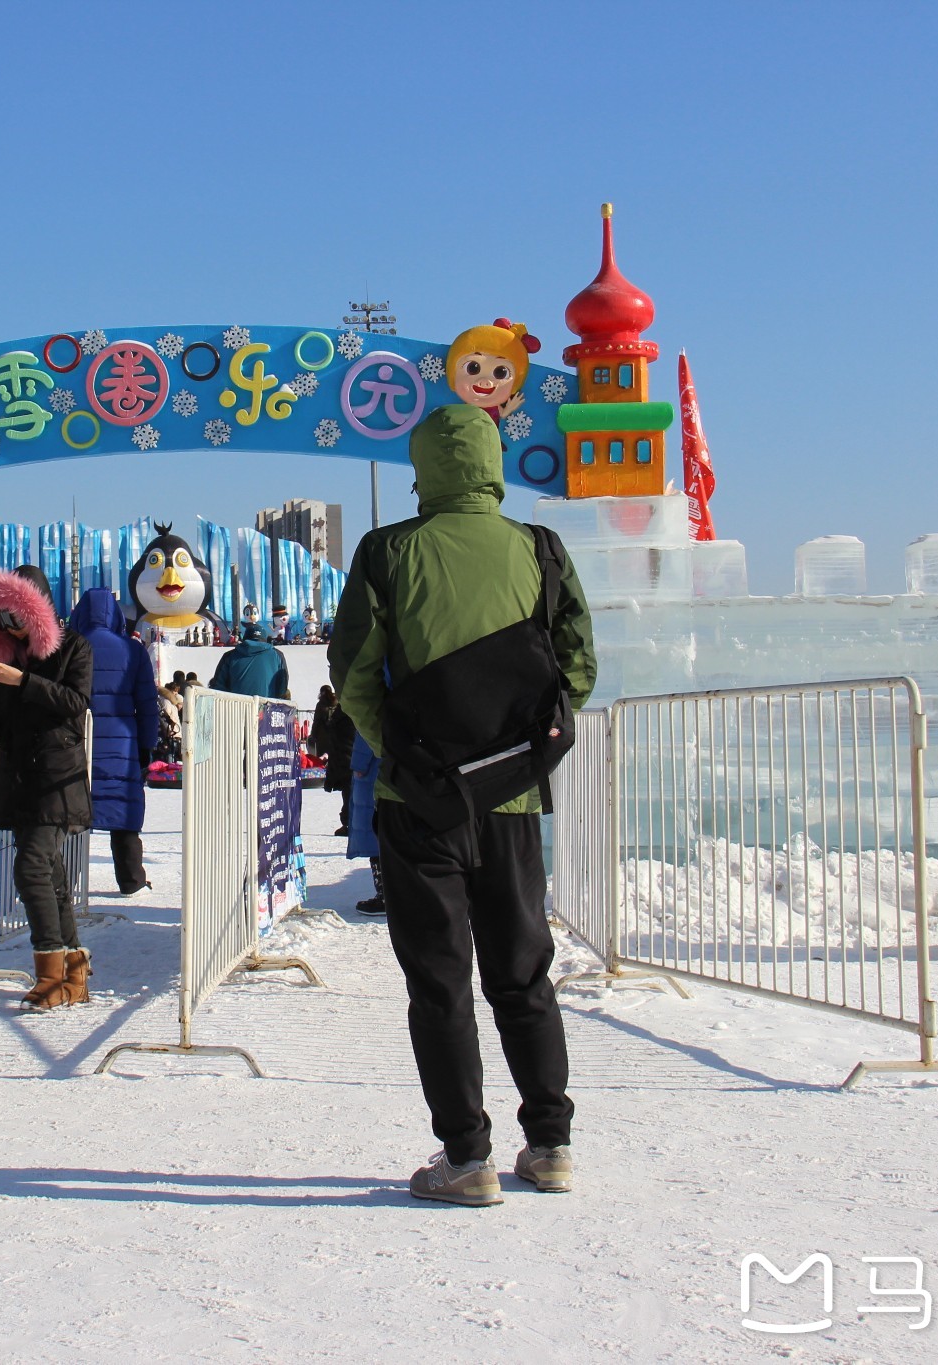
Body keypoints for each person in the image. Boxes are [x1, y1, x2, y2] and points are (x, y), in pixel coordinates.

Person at [331, 404, 596, 1207]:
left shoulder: (387, 551)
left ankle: (466, 1156)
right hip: (512, 799)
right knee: (524, 972)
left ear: (424, 466)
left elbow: (353, 669)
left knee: (440, 981)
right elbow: (576, 661)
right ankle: (549, 1142)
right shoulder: (539, 547)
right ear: (491, 461)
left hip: (420, 805)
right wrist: (529, 749)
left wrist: (408, 757)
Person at [0, 565, 93, 1010]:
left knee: (30, 868)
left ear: (38, 610)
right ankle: (73, 975)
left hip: (55, 776)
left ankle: (50, 976)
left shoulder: (74, 648)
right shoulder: (4, 658)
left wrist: (23, 681)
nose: (10, 624)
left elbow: (75, 703)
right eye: (2, 617)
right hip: (17, 776)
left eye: (16, 614)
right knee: (49, 873)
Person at [69, 585, 160, 895]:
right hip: (122, 744)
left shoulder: (68, 647)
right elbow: (148, 704)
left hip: (77, 743)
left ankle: (67, 883)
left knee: (71, 810)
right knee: (123, 811)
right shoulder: (132, 650)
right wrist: (147, 745)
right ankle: (131, 879)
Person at [308, 685, 357, 836]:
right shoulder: (343, 706)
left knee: (348, 790)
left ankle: (349, 822)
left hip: (338, 751)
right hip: (351, 754)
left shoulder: (331, 709)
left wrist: (313, 736)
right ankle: (352, 822)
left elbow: (317, 723)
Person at [347, 733, 384, 916]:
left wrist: (358, 764)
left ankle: (385, 895)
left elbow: (366, 732)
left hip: (374, 773)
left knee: (374, 837)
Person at [209, 619, 290, 700]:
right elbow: (282, 687)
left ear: (244, 639)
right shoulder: (277, 655)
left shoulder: (230, 656)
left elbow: (218, 686)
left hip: (235, 708)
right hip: (266, 708)